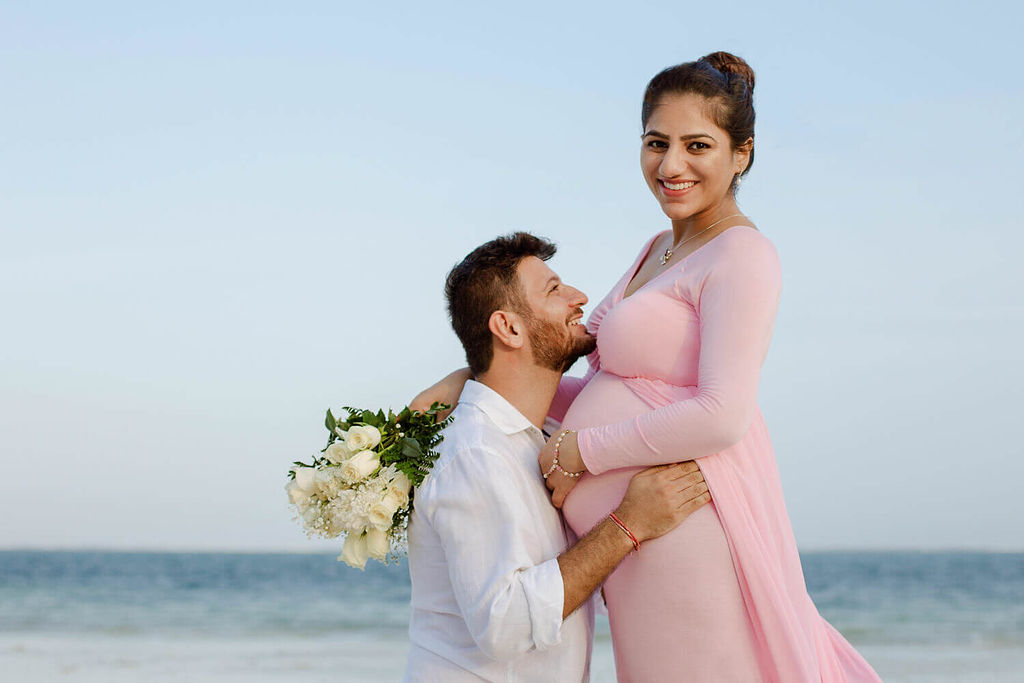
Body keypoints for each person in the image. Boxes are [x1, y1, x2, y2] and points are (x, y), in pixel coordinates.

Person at [413, 53, 881, 681]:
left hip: (683, 529)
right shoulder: (658, 249)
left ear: (742, 153)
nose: (671, 166)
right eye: (656, 143)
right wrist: (470, 383)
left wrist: (582, 455)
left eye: (698, 145)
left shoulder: (743, 254)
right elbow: (597, 380)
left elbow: (723, 415)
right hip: (633, 552)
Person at [404, 233, 711, 682]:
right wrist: (629, 524)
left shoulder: (542, 441)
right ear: (508, 328)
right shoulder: (474, 452)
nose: (580, 297)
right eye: (553, 289)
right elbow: (505, 625)